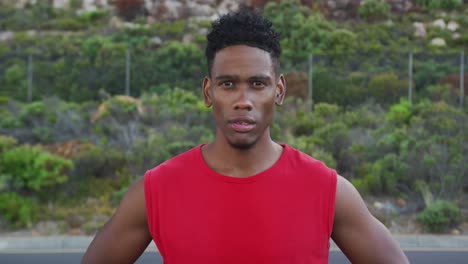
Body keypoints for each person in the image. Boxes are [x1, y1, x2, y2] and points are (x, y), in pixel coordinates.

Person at [82, 8, 409, 264]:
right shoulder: (155, 191)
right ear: (208, 92)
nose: (243, 100)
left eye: (257, 83)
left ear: (278, 91)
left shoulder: (328, 190)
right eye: (228, 84)